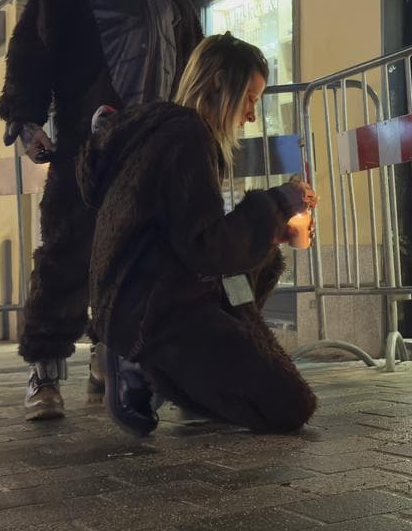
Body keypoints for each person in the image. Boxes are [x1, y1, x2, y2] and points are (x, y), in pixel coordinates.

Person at [0, 0, 203, 420]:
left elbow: (193, 70)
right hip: (83, 151)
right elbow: (32, 45)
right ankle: (43, 374)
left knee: (140, 262)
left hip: (152, 154)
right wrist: (24, 117)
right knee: (67, 255)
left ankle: (110, 359)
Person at [78, 34, 319, 435]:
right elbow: (206, 248)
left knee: (266, 262)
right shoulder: (186, 135)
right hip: (154, 310)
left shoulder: (170, 131)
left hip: (144, 295)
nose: (251, 116)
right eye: (250, 98)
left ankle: (182, 372)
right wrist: (276, 202)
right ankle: (142, 364)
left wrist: (272, 225)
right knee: (291, 405)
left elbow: (191, 234)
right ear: (221, 82)